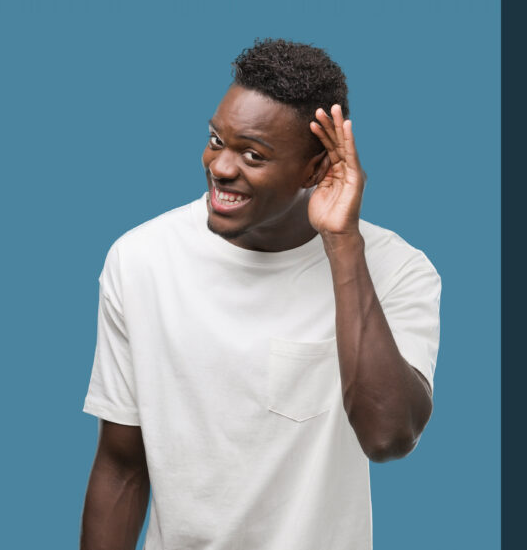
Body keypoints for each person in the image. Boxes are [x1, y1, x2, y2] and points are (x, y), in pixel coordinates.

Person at [81, 38, 441, 550]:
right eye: (215, 139)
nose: (221, 168)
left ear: (316, 170)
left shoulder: (397, 269)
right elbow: (121, 466)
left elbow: (388, 437)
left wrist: (342, 244)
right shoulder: (140, 259)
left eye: (253, 154)